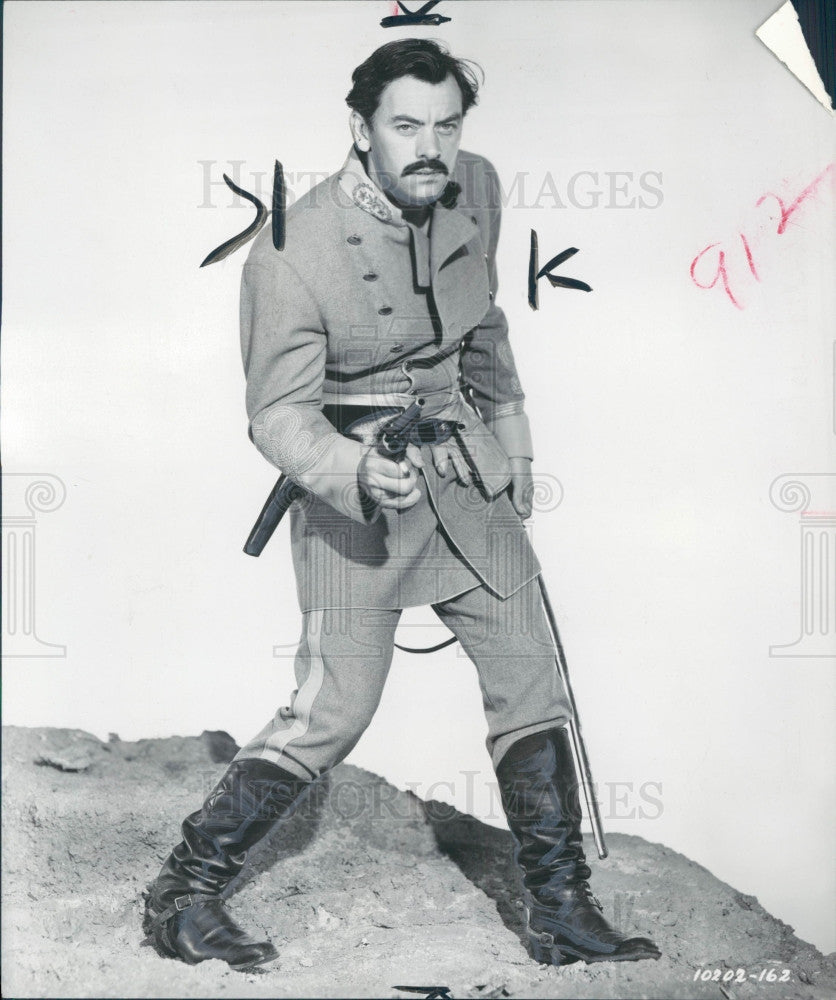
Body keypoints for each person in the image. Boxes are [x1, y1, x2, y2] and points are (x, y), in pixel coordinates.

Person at [145, 38, 660, 972]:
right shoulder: (288, 253)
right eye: (407, 126)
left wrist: (516, 440)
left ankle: (561, 910)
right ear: (362, 128)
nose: (432, 147)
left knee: (533, 683)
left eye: (448, 125)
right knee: (335, 709)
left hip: (466, 470)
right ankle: (181, 895)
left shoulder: (480, 187)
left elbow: (488, 321)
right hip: (361, 493)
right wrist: (349, 470)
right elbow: (276, 413)